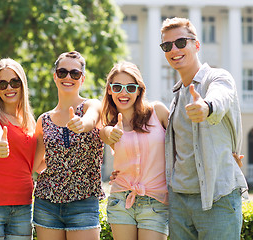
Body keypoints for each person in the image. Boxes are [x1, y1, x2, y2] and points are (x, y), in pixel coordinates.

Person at [160, 17, 248, 239]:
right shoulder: (177, 94)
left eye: (181, 42)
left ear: (196, 45)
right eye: (167, 46)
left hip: (217, 198)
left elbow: (221, 97)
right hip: (179, 201)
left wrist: (206, 107)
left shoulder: (217, 77)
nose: (174, 50)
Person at [32, 51, 105, 240]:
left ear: (82, 78)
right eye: (62, 72)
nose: (68, 77)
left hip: (83, 202)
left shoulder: (91, 106)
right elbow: (35, 164)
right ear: (55, 75)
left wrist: (82, 124)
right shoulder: (44, 120)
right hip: (46, 203)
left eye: (75, 73)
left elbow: (92, 119)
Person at [100, 62, 169, 240]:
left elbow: (183, 142)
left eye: (130, 87)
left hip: (156, 200)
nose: (124, 93)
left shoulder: (158, 112)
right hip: (121, 200)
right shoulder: (109, 125)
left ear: (139, 90)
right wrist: (110, 132)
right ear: (109, 90)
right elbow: (105, 134)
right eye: (117, 87)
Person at [0, 58, 37, 240]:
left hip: (24, 205)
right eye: (2, 84)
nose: (9, 88)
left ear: (22, 84)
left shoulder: (30, 123)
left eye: (14, 82)